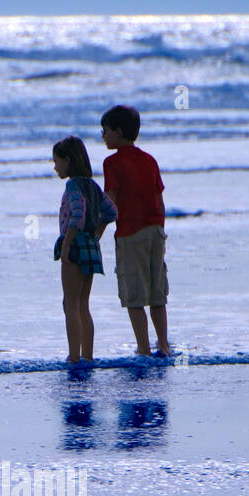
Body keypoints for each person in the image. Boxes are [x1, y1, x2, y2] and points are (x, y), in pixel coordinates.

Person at [101, 105, 170, 356]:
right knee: (157, 292)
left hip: (131, 233)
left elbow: (111, 202)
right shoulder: (149, 160)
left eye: (105, 130)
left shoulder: (112, 162)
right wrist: (161, 229)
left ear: (118, 131)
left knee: (135, 295)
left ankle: (143, 347)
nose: (103, 136)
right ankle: (163, 344)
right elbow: (159, 198)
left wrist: (97, 232)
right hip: (155, 231)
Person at [52, 136, 117, 364]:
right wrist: (97, 233)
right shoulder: (93, 185)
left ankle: (74, 356)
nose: (55, 167)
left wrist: (67, 244)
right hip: (90, 245)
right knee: (82, 304)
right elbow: (111, 212)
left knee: (70, 304)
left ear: (68, 160)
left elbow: (77, 215)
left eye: (57, 161)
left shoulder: (73, 186)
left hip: (76, 245)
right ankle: (87, 355)